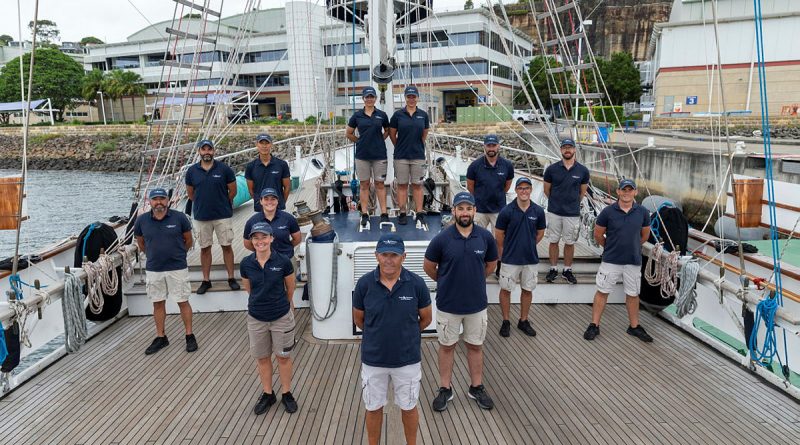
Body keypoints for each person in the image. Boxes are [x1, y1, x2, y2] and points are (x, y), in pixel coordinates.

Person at [353, 233, 432, 445]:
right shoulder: (364, 285)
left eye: (394, 255)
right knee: (373, 407)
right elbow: (359, 320)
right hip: (373, 359)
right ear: (376, 255)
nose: (389, 259)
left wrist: (405, 333)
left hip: (407, 359)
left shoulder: (416, 284)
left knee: (409, 406)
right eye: (385, 254)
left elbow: (426, 318)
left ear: (403, 257)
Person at [423, 192, 498, 412]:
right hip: (448, 305)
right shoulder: (442, 239)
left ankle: (476, 387)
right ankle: (445, 388)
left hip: (476, 305)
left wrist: (474, 279)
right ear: (454, 211)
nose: (464, 212)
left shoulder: (485, 238)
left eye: (468, 208)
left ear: (474, 211)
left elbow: (491, 264)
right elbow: (429, 266)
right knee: (447, 347)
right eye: (460, 208)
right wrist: (446, 281)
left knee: (476, 346)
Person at [584, 179, 653, 343]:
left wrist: (633, 246)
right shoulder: (608, 212)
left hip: (633, 260)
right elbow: (598, 234)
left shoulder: (642, 212)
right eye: (624, 189)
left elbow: (645, 235)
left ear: (635, 192)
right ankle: (594, 324)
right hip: (611, 260)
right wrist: (611, 247)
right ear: (618, 192)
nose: (627, 192)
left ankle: (634, 326)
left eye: (630, 190)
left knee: (633, 294)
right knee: (602, 291)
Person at [240, 222, 299, 414]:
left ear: (271, 238)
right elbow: (249, 289)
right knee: (263, 357)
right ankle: (268, 393)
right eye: (256, 238)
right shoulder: (246, 264)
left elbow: (290, 288)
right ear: (251, 241)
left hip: (281, 316)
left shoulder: (283, 262)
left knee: (283, 357)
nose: (260, 241)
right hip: (256, 318)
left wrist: (282, 304)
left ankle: (287, 393)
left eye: (264, 237)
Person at [134, 188, 197, 355]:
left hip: (177, 267)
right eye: (155, 199)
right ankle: (161, 337)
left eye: (162, 198)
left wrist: (178, 254)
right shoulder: (141, 221)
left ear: (168, 200)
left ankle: (189, 335)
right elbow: (141, 243)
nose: (159, 202)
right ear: (149, 201)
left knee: (183, 301)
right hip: (154, 268)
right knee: (158, 302)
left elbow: (188, 240)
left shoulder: (179, 218)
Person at [184, 139, 239, 295]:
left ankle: (231, 278)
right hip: (202, 216)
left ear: (214, 151)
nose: (207, 152)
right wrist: (204, 203)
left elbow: (232, 191)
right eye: (204, 149)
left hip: (223, 215)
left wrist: (221, 202)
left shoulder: (225, 169)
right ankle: (206, 280)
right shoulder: (192, 171)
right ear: (199, 152)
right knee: (205, 248)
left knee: (226, 246)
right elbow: (190, 194)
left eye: (209, 149)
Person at [495, 177, 546, 338]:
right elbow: (499, 235)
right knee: (505, 289)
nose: (524, 191)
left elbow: (540, 234)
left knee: (527, 290)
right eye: (521, 188)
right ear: (516, 190)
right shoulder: (506, 211)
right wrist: (509, 249)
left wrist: (528, 244)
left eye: (527, 188)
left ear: (531, 190)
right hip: (510, 259)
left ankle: (523, 320)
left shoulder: (538, 211)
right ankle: (505, 321)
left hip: (530, 259)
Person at [543, 138, 590, 285]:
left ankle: (567, 270)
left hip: (572, 213)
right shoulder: (552, 169)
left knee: (569, 242)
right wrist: (558, 202)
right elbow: (547, 191)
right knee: (553, 240)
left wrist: (571, 203)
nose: (567, 150)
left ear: (574, 150)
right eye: (565, 147)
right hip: (555, 212)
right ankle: (553, 268)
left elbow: (582, 193)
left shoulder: (583, 171)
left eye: (570, 147)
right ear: (561, 150)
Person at [346, 86, 391, 227]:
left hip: (379, 155)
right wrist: (360, 142)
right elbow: (349, 133)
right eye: (367, 97)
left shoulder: (382, 115)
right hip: (362, 156)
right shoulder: (357, 116)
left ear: (375, 99)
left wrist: (378, 140)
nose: (370, 99)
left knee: (379, 184)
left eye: (372, 96)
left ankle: (384, 213)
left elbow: (387, 131)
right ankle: (364, 213)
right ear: (363, 99)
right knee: (364, 185)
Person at [389, 85, 429, 226]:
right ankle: (402, 213)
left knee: (418, 185)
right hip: (401, 156)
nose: (411, 99)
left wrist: (416, 145)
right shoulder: (397, 115)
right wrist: (400, 145)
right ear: (405, 98)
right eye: (409, 96)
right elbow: (392, 135)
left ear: (417, 98)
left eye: (414, 96)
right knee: (402, 185)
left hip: (418, 155)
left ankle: (419, 213)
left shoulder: (423, 115)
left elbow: (424, 134)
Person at [466, 134, 514, 234]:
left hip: (499, 210)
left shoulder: (507, 165)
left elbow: (507, 186)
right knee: (478, 239)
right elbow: (470, 187)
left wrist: (497, 194)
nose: (491, 148)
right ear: (484, 147)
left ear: (498, 146)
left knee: (499, 240)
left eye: (493, 145)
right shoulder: (474, 166)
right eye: (488, 146)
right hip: (479, 210)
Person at [243, 188, 301, 260]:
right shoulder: (252, 221)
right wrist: (261, 249)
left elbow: (297, 239)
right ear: (261, 201)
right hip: (263, 261)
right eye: (266, 199)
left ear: (277, 201)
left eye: (273, 199)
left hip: (287, 259)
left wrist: (286, 248)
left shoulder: (289, 218)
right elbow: (247, 244)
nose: (269, 202)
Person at [245, 133, 291, 213]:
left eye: (267, 143)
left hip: (278, 208)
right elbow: (251, 190)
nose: (264, 146)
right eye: (261, 143)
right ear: (257, 145)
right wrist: (261, 202)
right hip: (260, 209)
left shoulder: (282, 164)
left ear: (271, 145)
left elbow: (287, 187)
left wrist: (281, 203)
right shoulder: (250, 166)